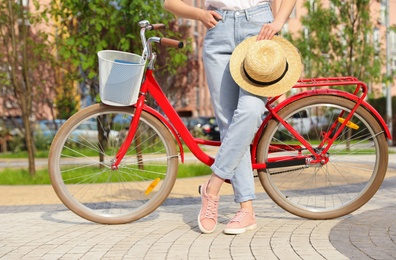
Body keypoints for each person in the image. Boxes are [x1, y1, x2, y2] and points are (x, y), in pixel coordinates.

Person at [163, 0, 300, 235]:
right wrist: (198, 14)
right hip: (218, 30)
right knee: (229, 126)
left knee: (250, 111)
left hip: (258, 27)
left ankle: (212, 186)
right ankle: (246, 209)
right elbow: (169, 3)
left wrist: (278, 22)